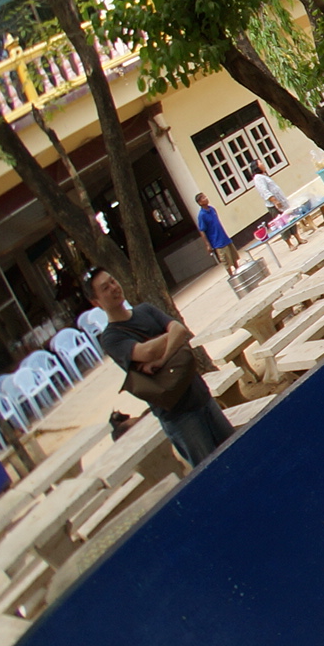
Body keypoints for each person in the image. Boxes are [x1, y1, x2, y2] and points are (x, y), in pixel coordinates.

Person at [89, 267, 235, 466]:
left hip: (200, 395)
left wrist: (161, 359)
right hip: (179, 415)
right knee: (211, 469)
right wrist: (169, 337)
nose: (114, 288)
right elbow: (148, 351)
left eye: (113, 281)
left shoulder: (145, 310)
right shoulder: (111, 338)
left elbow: (180, 329)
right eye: (105, 288)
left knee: (236, 452)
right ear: (96, 302)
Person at [193, 193, 236, 272]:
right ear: (200, 202)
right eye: (203, 198)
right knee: (226, 262)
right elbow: (202, 231)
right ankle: (231, 275)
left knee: (234, 257)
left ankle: (238, 271)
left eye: (205, 196)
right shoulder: (202, 215)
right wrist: (208, 245)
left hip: (224, 237)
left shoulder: (212, 209)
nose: (206, 198)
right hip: (217, 241)